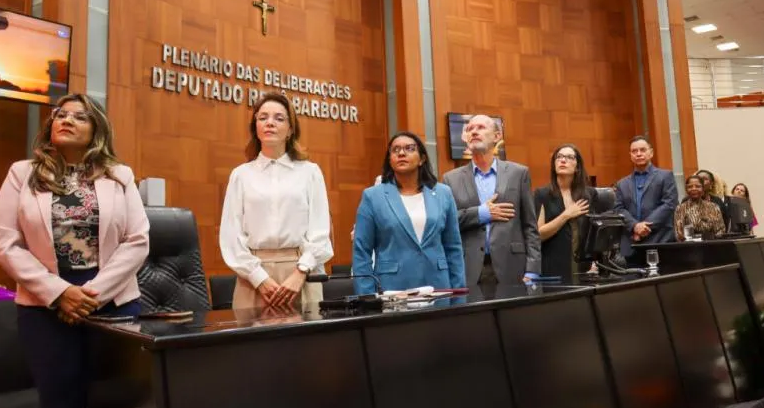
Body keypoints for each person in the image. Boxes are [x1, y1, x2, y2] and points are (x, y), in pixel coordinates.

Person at [0, 94, 149, 408]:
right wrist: (60, 293)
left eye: (80, 116)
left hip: (112, 309)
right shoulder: (21, 174)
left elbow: (137, 241)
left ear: (97, 129)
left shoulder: (119, 175)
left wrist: (91, 294)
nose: (68, 120)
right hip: (46, 310)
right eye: (61, 114)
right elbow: (6, 243)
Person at [219, 92, 333, 311]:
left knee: (307, 344)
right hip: (252, 275)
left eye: (279, 118)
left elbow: (320, 231)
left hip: (301, 273)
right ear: (255, 127)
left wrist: (300, 273)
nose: (269, 123)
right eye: (263, 118)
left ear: (291, 129)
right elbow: (231, 236)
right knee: (255, 344)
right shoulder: (240, 175)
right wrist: (259, 278)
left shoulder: (310, 172)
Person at [352, 132, 465, 294]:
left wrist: (459, 293)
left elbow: (453, 247)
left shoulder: (443, 193)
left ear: (422, 159)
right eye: (395, 150)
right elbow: (361, 251)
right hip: (393, 288)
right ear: (390, 160)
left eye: (409, 149)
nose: (401, 153)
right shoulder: (373, 196)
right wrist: (367, 297)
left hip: (439, 286)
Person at [442, 114, 541, 298]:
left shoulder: (518, 173)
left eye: (480, 127)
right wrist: (481, 213)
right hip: (469, 268)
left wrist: (533, 270)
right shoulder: (451, 179)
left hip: (512, 266)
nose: (474, 132)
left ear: (497, 136)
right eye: (470, 129)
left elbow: (530, 226)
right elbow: (447, 222)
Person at [534, 144, 599, 284]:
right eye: (559, 157)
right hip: (553, 266)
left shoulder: (589, 195)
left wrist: (595, 259)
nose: (563, 160)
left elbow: (594, 231)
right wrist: (566, 215)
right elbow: (539, 234)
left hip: (584, 268)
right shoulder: (542, 194)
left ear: (577, 167)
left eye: (569, 157)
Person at [613, 135, 678, 262]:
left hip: (660, 240)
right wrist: (635, 226)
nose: (638, 154)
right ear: (630, 155)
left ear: (651, 153)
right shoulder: (622, 183)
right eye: (634, 151)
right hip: (632, 243)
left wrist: (644, 228)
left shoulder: (665, 176)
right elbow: (619, 209)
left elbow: (669, 204)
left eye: (643, 150)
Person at [675, 174, 726, 241]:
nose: (694, 189)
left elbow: (721, 230)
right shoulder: (680, 208)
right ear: (686, 189)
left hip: (711, 244)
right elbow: (678, 233)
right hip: (689, 246)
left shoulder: (713, 207)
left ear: (703, 189)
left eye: (698, 186)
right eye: (690, 187)